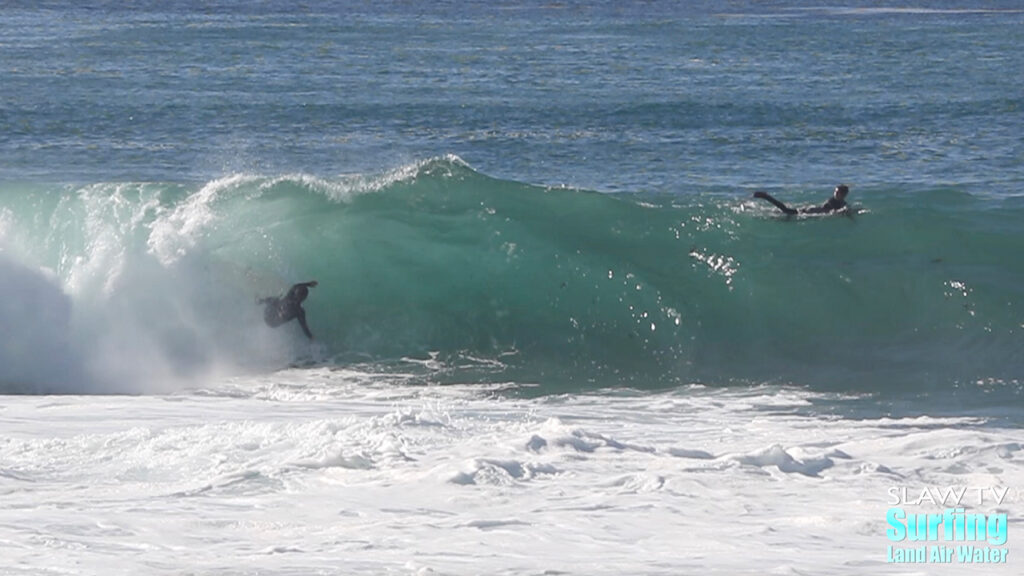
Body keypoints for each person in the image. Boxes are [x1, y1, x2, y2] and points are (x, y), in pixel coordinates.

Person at [754, 185, 850, 215]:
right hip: (805, 212)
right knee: (785, 210)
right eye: (835, 191)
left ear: (844, 194)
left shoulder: (841, 203)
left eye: (838, 192)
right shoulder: (833, 201)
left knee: (779, 212)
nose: (835, 193)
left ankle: (765, 199)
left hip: (807, 212)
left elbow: (843, 210)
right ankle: (766, 196)